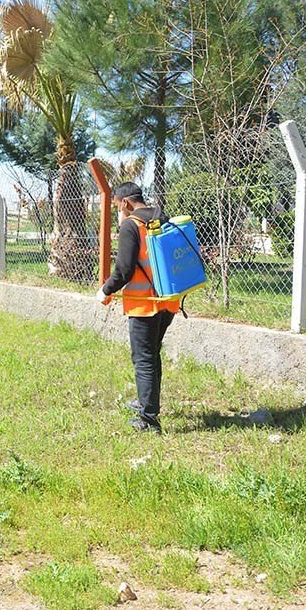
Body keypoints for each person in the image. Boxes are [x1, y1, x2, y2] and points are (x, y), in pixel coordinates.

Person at [96, 183, 180, 433]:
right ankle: (147, 404)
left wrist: (105, 290)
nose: (118, 212)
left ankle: (149, 420)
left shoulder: (131, 225)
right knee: (152, 355)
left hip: (144, 304)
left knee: (143, 359)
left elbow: (123, 270)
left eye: (117, 207)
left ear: (125, 203)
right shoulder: (162, 219)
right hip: (167, 302)